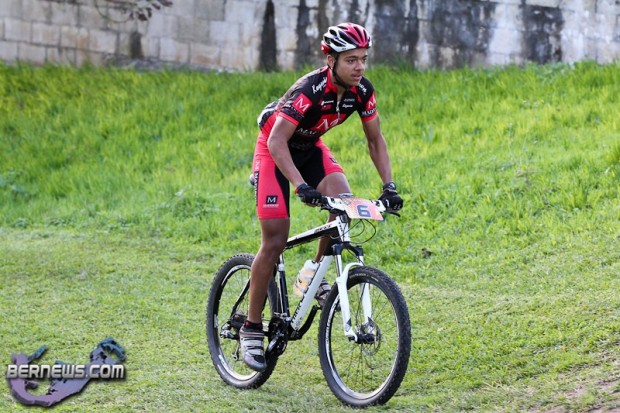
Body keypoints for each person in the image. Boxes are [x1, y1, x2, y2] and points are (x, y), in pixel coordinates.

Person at [239, 22, 404, 372]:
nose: (359, 67)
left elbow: (375, 140)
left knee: (343, 202)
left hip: (309, 147)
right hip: (274, 149)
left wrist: (389, 186)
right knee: (275, 239)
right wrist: (300, 185)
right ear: (331, 60)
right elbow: (276, 141)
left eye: (363, 59)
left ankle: (311, 275)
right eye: (351, 60)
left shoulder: (362, 91)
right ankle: (251, 327)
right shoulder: (309, 90)